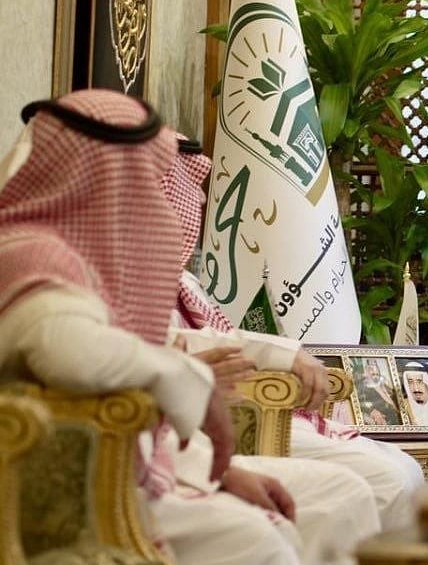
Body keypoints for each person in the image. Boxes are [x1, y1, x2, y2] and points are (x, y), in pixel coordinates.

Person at [0, 90, 377, 565]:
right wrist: (187, 378)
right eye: (145, 177)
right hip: (73, 490)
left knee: (329, 502)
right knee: (259, 542)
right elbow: (65, 349)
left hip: (137, 465)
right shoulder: (33, 254)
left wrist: (214, 471)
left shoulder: (76, 258)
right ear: (103, 179)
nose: (156, 198)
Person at [163, 136, 425, 530]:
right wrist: (194, 373)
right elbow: (167, 351)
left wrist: (288, 354)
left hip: (225, 407)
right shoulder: (113, 279)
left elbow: (210, 339)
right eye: (183, 186)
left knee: (406, 470)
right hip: (195, 422)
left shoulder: (178, 280)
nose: (197, 200)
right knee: (384, 481)